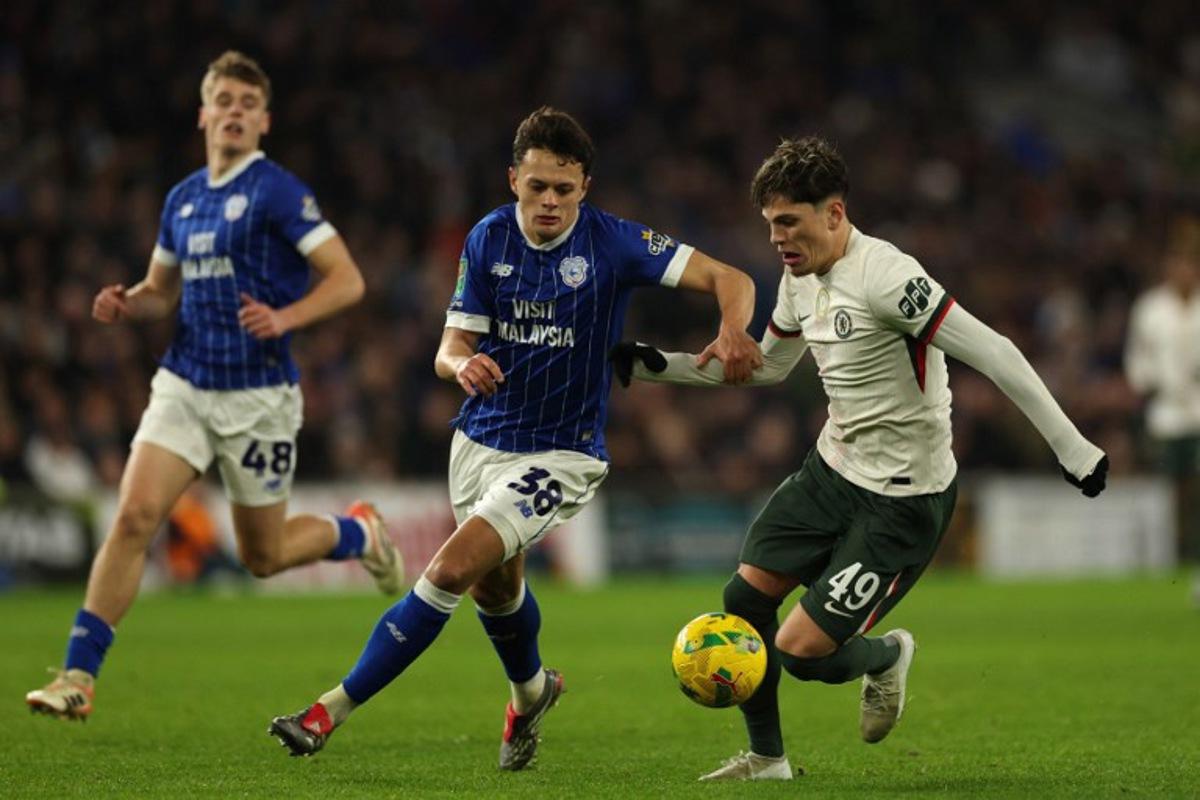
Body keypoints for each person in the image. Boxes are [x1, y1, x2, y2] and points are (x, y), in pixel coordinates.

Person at [267, 106, 762, 770]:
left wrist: (732, 328)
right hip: (478, 441)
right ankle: (532, 693)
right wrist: (457, 364)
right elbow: (451, 346)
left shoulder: (615, 244)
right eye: (537, 187)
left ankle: (326, 712)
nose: (550, 201)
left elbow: (732, 278)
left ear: (585, 186)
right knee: (494, 591)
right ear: (513, 181)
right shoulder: (488, 239)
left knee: (446, 570)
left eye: (563, 188)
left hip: (561, 454)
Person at [610, 136, 1109, 780]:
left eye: (789, 222)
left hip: (904, 499)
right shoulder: (797, 279)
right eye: (770, 226)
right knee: (743, 600)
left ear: (835, 214)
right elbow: (765, 370)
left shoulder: (888, 277)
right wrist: (659, 367)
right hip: (832, 471)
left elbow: (996, 352)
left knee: (800, 653)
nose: (778, 240)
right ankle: (768, 761)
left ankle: (885, 658)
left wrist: (1074, 449)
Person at [24, 51, 404, 722]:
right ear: (203, 113)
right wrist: (127, 302)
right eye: (223, 99)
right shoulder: (183, 198)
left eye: (246, 103)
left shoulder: (278, 191)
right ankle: (79, 676)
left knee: (263, 556)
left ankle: (359, 534)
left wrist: (284, 317)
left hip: (258, 398)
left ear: (264, 121)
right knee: (135, 515)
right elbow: (159, 293)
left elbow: (348, 279)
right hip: (186, 383)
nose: (233, 110)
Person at [1124, 230, 1200, 604]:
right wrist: (1146, 382)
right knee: (1170, 493)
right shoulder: (1150, 309)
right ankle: (1166, 563)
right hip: (1166, 415)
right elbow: (1137, 360)